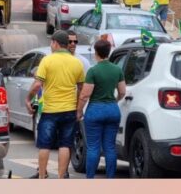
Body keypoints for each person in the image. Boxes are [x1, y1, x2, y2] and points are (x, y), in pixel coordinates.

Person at [25, 30, 85, 179]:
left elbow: (37, 85)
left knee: (44, 145)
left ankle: (42, 177)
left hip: (50, 110)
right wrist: (79, 108)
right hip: (69, 110)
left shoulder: (47, 60)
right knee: (65, 145)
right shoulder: (77, 62)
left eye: (51, 42)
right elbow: (81, 89)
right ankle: (60, 177)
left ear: (55, 43)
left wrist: (28, 99)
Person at [76, 39, 126, 179]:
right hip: (112, 110)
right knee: (110, 147)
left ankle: (91, 179)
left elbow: (85, 94)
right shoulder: (117, 69)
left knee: (93, 147)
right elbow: (122, 91)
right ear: (109, 52)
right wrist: (114, 101)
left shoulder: (93, 71)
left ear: (96, 53)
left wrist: (79, 111)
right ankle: (110, 179)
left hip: (95, 110)